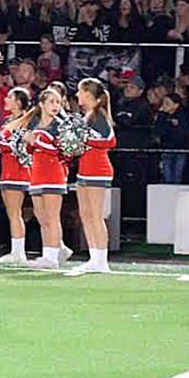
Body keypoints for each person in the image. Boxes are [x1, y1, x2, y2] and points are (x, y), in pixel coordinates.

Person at [23, 89, 71, 270]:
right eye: (51, 102)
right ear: (41, 104)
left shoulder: (60, 125)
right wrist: (28, 144)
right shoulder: (35, 123)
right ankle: (53, 251)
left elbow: (60, 151)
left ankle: (52, 257)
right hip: (37, 173)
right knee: (41, 216)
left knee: (52, 217)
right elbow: (32, 150)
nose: (55, 106)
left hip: (53, 174)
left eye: (58, 102)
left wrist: (36, 143)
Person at [72, 78, 116, 274]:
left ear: (89, 95)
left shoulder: (99, 115)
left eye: (80, 92)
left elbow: (110, 141)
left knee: (96, 216)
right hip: (84, 168)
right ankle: (93, 257)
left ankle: (102, 260)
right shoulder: (87, 116)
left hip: (98, 169)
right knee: (85, 215)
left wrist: (85, 140)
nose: (77, 95)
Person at [0, 87, 33, 264]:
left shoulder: (26, 121)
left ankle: (18, 252)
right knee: (12, 212)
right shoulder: (7, 120)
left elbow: (21, 147)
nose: (5, 100)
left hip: (18, 171)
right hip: (6, 169)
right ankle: (16, 250)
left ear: (18, 102)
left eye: (10, 97)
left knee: (15, 212)